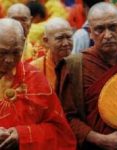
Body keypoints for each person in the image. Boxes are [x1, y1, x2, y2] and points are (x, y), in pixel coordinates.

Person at [56, 2, 117, 150]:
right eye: (99, 29)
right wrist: (100, 140)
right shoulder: (74, 67)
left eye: (113, 27)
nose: (107, 35)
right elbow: (66, 117)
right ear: (90, 32)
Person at [0, 18, 76, 150]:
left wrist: (23, 135)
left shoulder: (34, 78)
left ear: (23, 43)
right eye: (2, 53)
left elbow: (61, 133)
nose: (9, 60)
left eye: (16, 52)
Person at [31, 17, 73, 89]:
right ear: (46, 41)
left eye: (69, 37)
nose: (66, 43)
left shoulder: (80, 65)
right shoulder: (34, 68)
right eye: (59, 38)